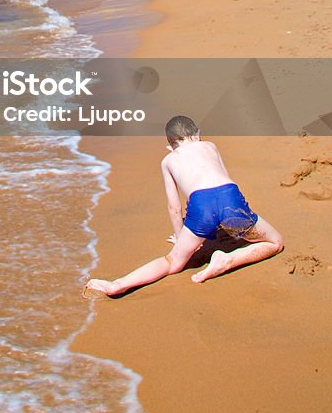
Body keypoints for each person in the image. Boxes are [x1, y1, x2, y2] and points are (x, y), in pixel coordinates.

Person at [83, 116, 283, 297]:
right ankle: (228, 260)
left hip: (200, 206)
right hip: (229, 197)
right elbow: (225, 180)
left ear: (170, 144)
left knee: (172, 262)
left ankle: (117, 285)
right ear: (197, 135)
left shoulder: (168, 160)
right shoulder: (210, 146)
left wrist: (180, 236)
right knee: (274, 242)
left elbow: (174, 207)